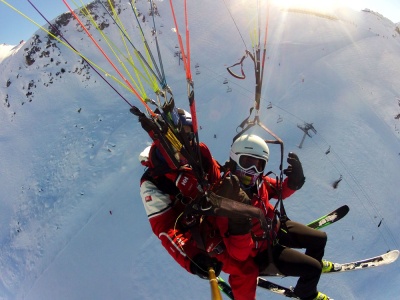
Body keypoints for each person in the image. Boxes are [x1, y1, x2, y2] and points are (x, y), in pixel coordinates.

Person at [213, 134, 332, 300]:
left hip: (275, 229)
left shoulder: (259, 182)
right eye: (247, 162)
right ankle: (307, 293)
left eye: (258, 164)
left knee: (320, 239)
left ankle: (310, 267)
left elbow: (279, 190)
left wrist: (294, 182)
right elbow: (237, 253)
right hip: (264, 252)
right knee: (314, 269)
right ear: (234, 159)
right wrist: (239, 224)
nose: (252, 171)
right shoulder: (226, 198)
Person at [138, 108, 224, 280]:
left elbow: (219, 184)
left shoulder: (200, 152)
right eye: (178, 140)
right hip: (200, 236)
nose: (187, 145)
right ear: (163, 142)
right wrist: (193, 258)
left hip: (223, 218)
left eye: (189, 136)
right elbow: (165, 228)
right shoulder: (153, 182)